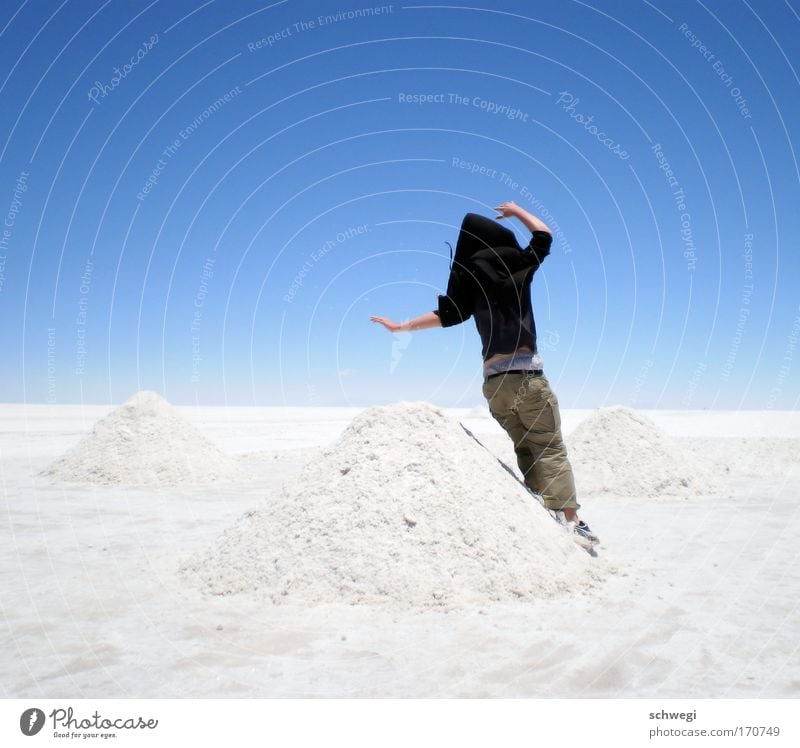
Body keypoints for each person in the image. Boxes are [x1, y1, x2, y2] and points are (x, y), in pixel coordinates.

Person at [370, 200, 597, 544]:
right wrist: (518, 210)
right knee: (549, 448)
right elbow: (544, 235)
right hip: (526, 378)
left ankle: (541, 513)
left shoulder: (468, 278)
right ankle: (572, 520)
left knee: (525, 445)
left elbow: (446, 316)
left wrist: (402, 327)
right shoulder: (518, 265)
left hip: (494, 385)